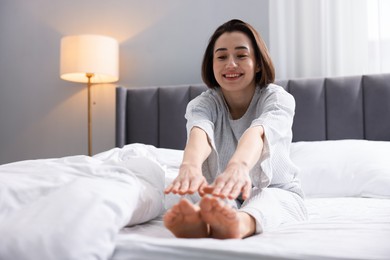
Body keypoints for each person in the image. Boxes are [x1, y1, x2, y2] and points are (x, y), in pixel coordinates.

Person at [163, 19, 307, 239]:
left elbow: (258, 132)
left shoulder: (278, 99)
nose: (230, 64)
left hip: (275, 190)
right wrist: (190, 166)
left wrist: (238, 166)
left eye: (241, 55)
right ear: (212, 65)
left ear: (258, 63)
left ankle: (238, 224)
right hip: (223, 191)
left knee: (268, 200)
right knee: (195, 195)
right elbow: (199, 132)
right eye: (221, 57)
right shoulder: (203, 104)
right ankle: (204, 222)